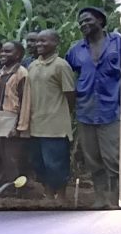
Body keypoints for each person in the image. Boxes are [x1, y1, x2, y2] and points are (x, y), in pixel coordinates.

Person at [64, 6, 121, 209]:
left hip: (112, 110)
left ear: (100, 20)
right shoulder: (75, 50)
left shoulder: (118, 42)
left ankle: (114, 201)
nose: (83, 24)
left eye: (87, 20)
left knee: (113, 159)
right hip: (86, 111)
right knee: (93, 159)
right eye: (81, 22)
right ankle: (100, 199)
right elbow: (65, 73)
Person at [24, 30, 80, 203]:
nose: (39, 44)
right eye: (38, 41)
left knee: (56, 164)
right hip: (35, 124)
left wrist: (62, 114)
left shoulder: (61, 65)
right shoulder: (33, 65)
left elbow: (70, 94)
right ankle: (48, 194)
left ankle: (61, 196)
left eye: (44, 41)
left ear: (55, 43)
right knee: (40, 163)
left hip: (55, 126)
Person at [0, 42, 32, 181]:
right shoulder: (1, 72)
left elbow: (26, 101)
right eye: (2, 51)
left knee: (11, 157)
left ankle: (15, 187)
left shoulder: (22, 73)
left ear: (18, 55)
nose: (3, 54)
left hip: (10, 118)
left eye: (8, 52)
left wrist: (21, 126)